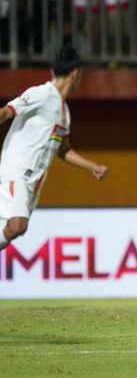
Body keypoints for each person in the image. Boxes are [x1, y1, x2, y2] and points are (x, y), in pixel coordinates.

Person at [0, 46, 109, 252]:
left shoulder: (64, 112)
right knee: (17, 225)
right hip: (17, 172)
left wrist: (91, 166)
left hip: (34, 182)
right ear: (76, 73)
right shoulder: (41, 94)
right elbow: (6, 112)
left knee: (13, 229)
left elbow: (63, 149)